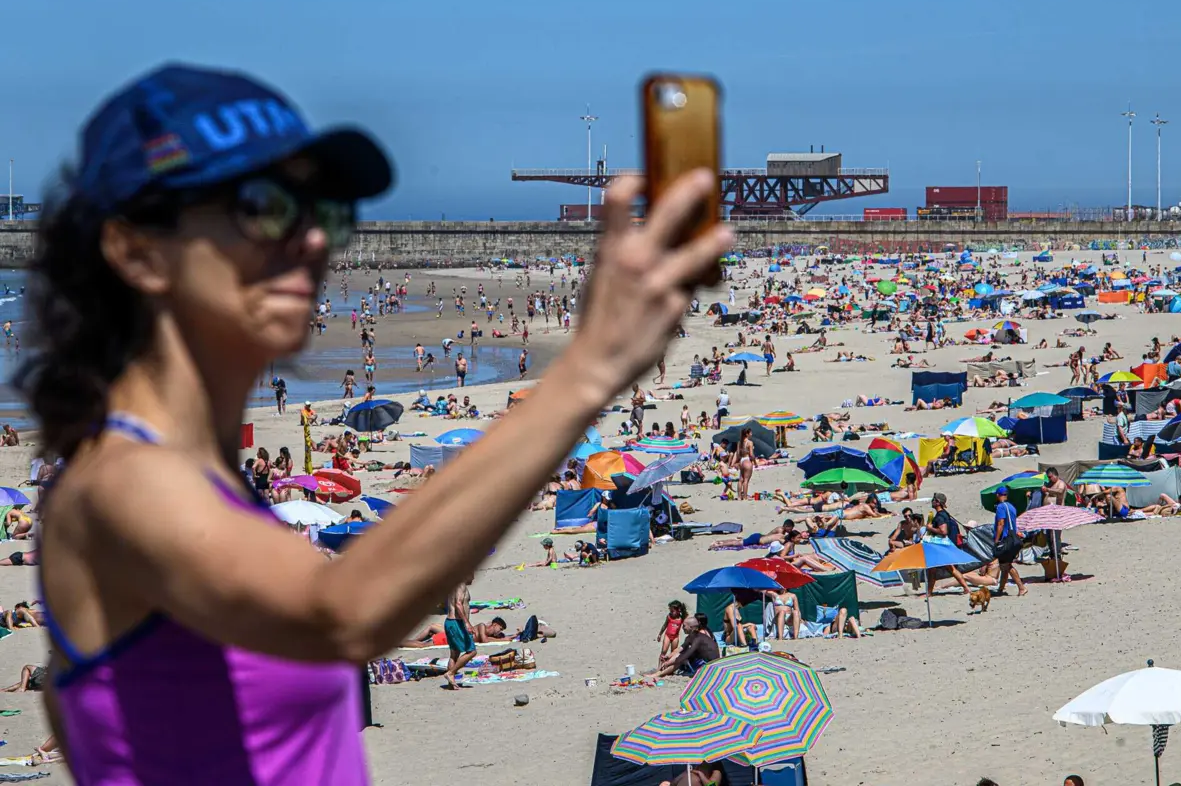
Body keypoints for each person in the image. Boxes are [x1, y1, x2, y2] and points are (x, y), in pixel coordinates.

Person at [21, 63, 730, 783]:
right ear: (136, 249)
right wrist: (587, 370)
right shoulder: (119, 482)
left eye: (323, 212)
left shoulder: (207, 487)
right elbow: (340, 615)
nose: (311, 241)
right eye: (264, 206)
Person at [653, 614, 719, 678]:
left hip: (710, 664)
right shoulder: (691, 637)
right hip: (702, 659)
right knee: (681, 655)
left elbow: (687, 655)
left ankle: (659, 674)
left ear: (691, 627)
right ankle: (659, 672)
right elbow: (681, 648)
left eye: (684, 626)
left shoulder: (698, 638)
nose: (682, 628)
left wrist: (668, 663)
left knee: (682, 658)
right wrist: (668, 657)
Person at [992, 486, 1027, 596]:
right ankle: (1001, 589)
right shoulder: (1012, 507)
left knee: (1007, 565)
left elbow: (1001, 524)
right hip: (1014, 538)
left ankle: (1021, 587)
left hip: (1006, 539)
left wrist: (996, 540)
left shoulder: (1001, 507)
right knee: (1004, 565)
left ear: (998, 495)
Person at [442, 579, 475, 690]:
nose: (473, 578)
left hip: (450, 622)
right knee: (472, 651)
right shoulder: (460, 584)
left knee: (454, 655)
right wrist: (467, 622)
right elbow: (458, 604)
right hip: (457, 623)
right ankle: (451, 673)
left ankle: (451, 684)